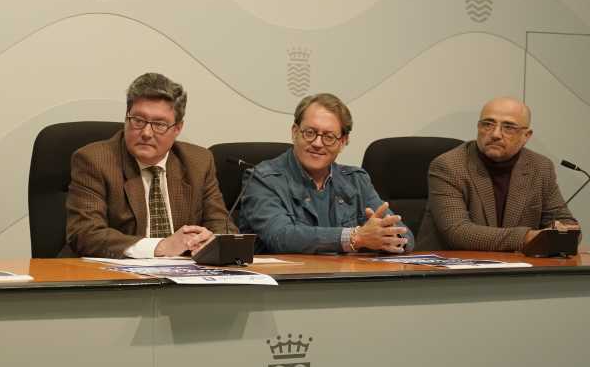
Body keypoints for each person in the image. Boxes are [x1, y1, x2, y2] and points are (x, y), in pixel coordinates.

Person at [65, 72, 230, 258]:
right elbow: (85, 234)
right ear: (126, 118)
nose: (146, 132)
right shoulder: (94, 160)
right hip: (113, 278)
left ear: (177, 128)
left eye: (159, 124)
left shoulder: (198, 162)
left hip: (182, 279)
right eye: (138, 120)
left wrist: (212, 241)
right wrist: (160, 247)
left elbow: (223, 228)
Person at [237, 93, 413, 254]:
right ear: (295, 132)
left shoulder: (356, 180)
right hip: (284, 284)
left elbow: (406, 238)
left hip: (346, 282)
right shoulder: (261, 178)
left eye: (329, 137)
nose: (318, 143)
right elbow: (281, 237)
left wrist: (389, 237)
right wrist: (356, 237)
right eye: (310, 133)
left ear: (343, 141)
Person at [418, 96, 579, 251]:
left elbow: (566, 224)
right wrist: (529, 237)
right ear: (478, 127)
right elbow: (458, 232)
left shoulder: (540, 167)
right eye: (488, 124)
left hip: (516, 269)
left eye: (508, 127)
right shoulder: (449, 165)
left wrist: (565, 232)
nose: (495, 134)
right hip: (449, 269)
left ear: (526, 136)